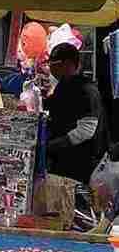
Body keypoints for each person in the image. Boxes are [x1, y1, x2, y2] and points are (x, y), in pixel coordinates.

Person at [45, 41, 107, 184]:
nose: (51, 68)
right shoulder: (64, 86)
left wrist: (52, 145)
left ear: (68, 63)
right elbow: (51, 105)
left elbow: (86, 130)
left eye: (54, 64)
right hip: (62, 161)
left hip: (79, 164)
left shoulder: (87, 90)